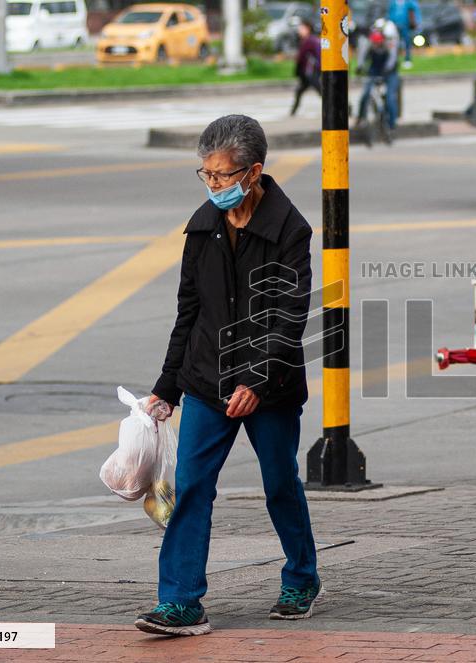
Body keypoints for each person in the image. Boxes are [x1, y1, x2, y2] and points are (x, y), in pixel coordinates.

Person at [136, 115, 319, 637]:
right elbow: (188, 312)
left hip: (271, 388)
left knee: (280, 483)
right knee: (192, 487)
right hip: (206, 382)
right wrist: (166, 387)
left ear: (253, 171)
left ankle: (302, 578)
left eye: (223, 176)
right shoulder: (202, 225)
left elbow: (290, 317)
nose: (214, 185)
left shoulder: (289, 229)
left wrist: (257, 383)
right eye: (207, 175)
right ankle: (180, 601)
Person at [357, 21, 400, 132]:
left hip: (389, 72)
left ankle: (391, 124)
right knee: (365, 94)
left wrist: (387, 70)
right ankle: (361, 117)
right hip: (374, 70)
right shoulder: (369, 41)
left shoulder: (390, 42)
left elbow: (392, 59)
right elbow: (362, 57)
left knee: (390, 98)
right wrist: (360, 67)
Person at [291, 19, 321, 116]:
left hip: (311, 73)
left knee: (322, 92)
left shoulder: (310, 41)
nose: (299, 30)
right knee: (299, 91)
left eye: (302, 28)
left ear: (308, 29)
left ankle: (345, 107)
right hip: (308, 73)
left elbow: (303, 57)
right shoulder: (307, 40)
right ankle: (293, 111)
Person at [387, 0, 420, 68]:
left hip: (406, 26)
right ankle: (394, 60)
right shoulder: (393, 2)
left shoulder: (409, 2)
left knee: (407, 43)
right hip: (395, 26)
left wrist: (415, 23)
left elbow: (414, 12)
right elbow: (390, 13)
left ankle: (407, 60)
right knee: (395, 44)